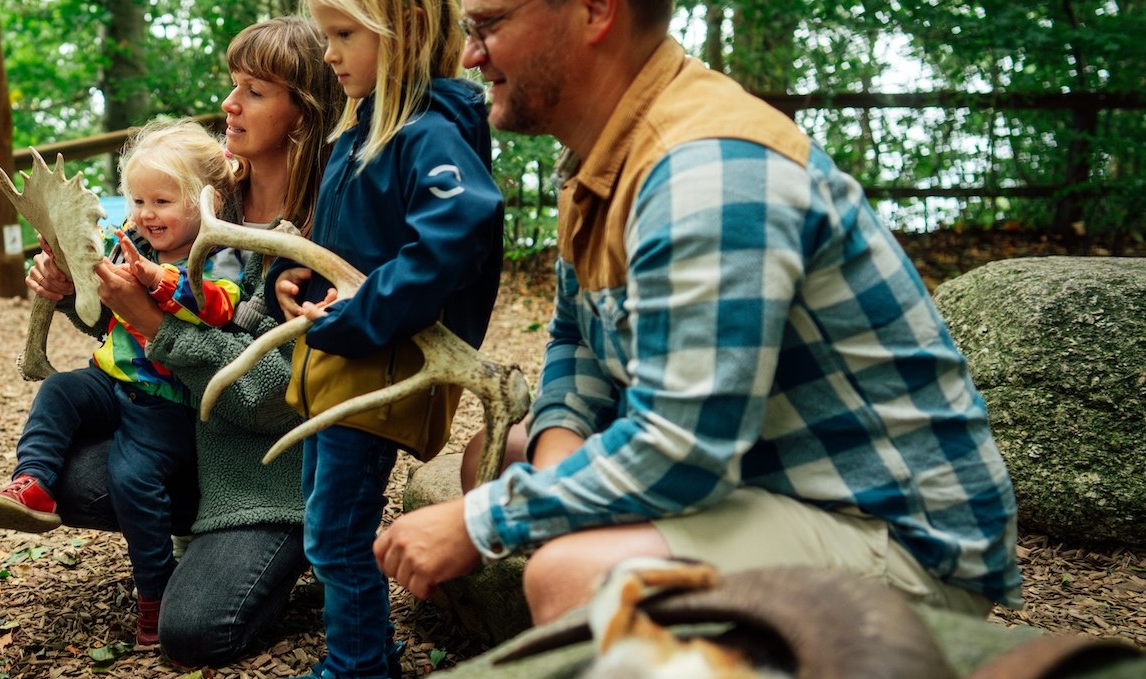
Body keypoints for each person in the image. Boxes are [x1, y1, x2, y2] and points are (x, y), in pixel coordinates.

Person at [374, 0, 1023, 629]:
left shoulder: (705, 171)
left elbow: (682, 450)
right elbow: (576, 342)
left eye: (489, 24)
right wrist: (550, 468)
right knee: (500, 455)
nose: (468, 54)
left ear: (597, 11)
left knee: (571, 578)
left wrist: (479, 522)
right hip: (761, 474)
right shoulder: (596, 156)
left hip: (896, 533)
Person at [1, 17, 345, 667]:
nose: (229, 103)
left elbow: (266, 395)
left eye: (255, 90)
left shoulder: (322, 228)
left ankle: (296, 549)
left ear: (302, 114)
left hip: (266, 472)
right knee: (66, 466)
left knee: (194, 636)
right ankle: (190, 530)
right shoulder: (202, 195)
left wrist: (157, 323)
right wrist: (80, 289)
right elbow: (130, 325)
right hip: (185, 433)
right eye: (232, 83)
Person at [268, 0, 505, 676]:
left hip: (380, 365)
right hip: (345, 358)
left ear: (406, 36)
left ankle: (360, 662)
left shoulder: (427, 133)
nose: (330, 54)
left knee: (338, 529)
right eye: (326, 37)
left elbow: (460, 223)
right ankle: (364, 647)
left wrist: (364, 308)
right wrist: (294, 277)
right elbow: (346, 246)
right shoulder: (361, 130)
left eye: (344, 35)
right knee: (328, 522)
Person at [0, 117, 246, 650]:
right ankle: (32, 482)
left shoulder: (218, 256)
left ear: (206, 202)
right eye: (138, 201)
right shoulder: (133, 245)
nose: (146, 214)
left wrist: (157, 282)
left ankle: (154, 591)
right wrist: (65, 272)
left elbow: (217, 306)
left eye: (162, 202)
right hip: (110, 377)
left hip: (166, 402)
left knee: (132, 479)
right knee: (58, 392)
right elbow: (96, 298)